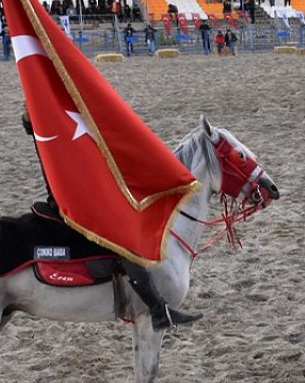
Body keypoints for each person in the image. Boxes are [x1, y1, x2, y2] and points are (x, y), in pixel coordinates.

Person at [19, 108, 201, 331]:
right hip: (72, 206)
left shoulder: (54, 134)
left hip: (80, 197)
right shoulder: (49, 138)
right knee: (124, 241)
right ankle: (157, 309)